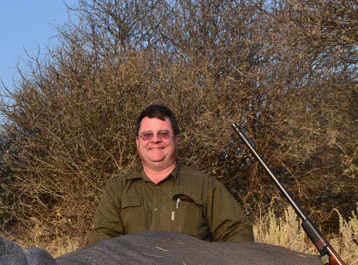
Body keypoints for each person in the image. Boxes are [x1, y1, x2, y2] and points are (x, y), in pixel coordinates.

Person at [86, 105, 254, 245]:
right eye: (147, 135)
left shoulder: (206, 186)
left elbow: (238, 233)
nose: (155, 140)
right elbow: (100, 243)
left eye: (163, 134)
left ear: (176, 140)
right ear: (137, 142)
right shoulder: (117, 190)